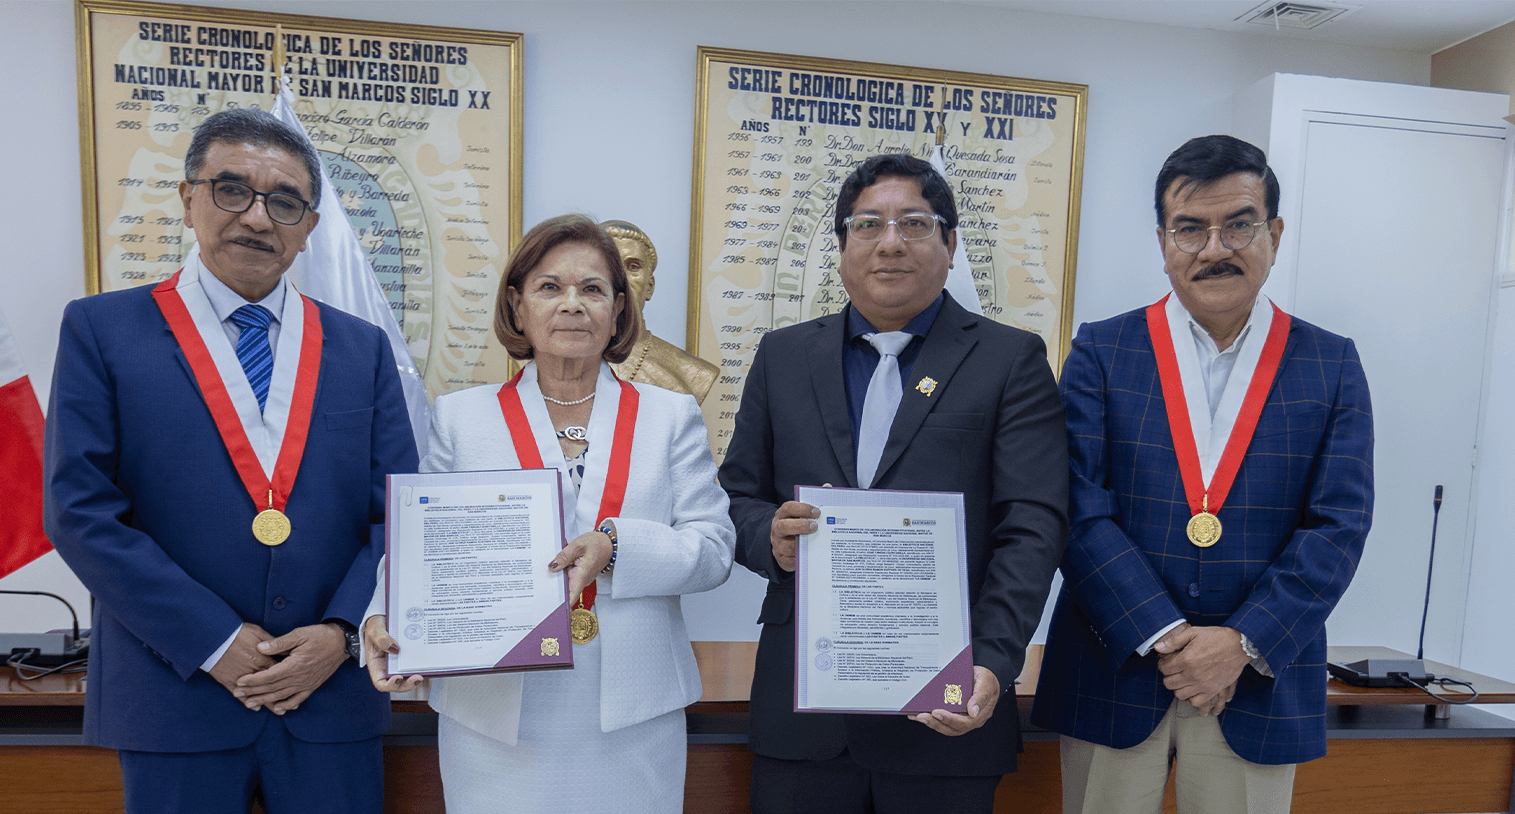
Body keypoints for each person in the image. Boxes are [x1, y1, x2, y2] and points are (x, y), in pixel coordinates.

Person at [44, 108, 417, 813]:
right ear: (189, 198)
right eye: (232, 189)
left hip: (328, 696)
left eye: (284, 202)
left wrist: (341, 635)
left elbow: (397, 515)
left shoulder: (361, 349)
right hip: (175, 691)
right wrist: (214, 641)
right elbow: (80, 513)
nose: (256, 217)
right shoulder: (102, 330)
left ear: (308, 227)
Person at [1031, 135, 1374, 814]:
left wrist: (1240, 643)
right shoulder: (1102, 350)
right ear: (1163, 242)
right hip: (1115, 662)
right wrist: (1165, 634)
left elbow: (1338, 525)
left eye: (1239, 225)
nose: (1215, 248)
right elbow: (1076, 504)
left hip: (1260, 677)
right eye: (1190, 229)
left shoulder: (1330, 363)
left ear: (1274, 234)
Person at [719, 153, 1068, 813]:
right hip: (804, 712)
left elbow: (1033, 526)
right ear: (842, 246)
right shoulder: (783, 356)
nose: (890, 242)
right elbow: (735, 498)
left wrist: (993, 661)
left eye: (914, 224)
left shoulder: (1009, 359)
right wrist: (769, 536)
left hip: (948, 707)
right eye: (868, 224)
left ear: (950, 244)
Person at [363, 214, 735, 814]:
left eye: (592, 289)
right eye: (549, 287)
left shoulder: (671, 416)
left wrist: (616, 548)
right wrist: (386, 614)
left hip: (633, 711)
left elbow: (714, 549)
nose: (572, 304)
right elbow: (422, 544)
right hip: (496, 709)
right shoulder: (461, 417)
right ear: (517, 305)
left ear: (619, 308)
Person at [600, 219, 721, 403]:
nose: (620, 278)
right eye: (608, 264)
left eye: (633, 267)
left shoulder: (692, 374)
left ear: (649, 286)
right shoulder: (560, 360)